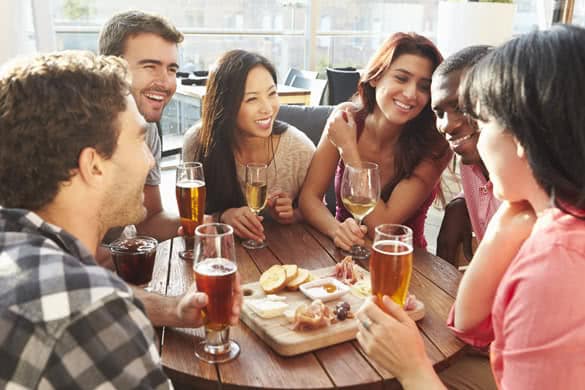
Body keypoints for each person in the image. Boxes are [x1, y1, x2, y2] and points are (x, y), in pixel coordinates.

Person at [355, 24, 585, 389]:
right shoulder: (549, 223)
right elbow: (469, 326)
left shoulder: (558, 265)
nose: (469, 131)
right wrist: (504, 225)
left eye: (484, 118)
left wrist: (412, 367)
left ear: (525, 135)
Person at [0, 51, 180, 387]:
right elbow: (84, 303)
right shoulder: (93, 311)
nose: (151, 163)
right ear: (93, 165)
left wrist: (170, 309)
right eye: (140, 139)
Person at [299, 32, 451, 251]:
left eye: (424, 86)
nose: (411, 94)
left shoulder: (436, 144)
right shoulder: (347, 120)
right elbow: (309, 198)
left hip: (407, 265)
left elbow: (382, 228)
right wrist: (336, 230)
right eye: (401, 78)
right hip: (344, 253)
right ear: (376, 76)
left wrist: (349, 150)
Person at [182, 50, 315, 241]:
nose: (267, 108)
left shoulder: (299, 149)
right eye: (252, 99)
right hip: (217, 256)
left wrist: (292, 214)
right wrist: (222, 217)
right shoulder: (198, 142)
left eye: (272, 94)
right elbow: (189, 218)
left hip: (280, 257)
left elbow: (319, 211)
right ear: (225, 104)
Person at [99, 10, 181, 243]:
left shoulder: (147, 129)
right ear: (112, 67)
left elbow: (150, 220)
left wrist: (211, 221)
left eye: (172, 69)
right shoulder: (75, 129)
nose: (165, 82)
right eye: (150, 66)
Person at [431, 46, 502, 265]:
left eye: (461, 107)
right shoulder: (469, 161)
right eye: (439, 113)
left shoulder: (536, 182)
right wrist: (460, 203)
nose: (446, 125)